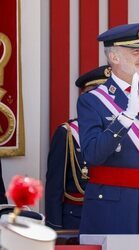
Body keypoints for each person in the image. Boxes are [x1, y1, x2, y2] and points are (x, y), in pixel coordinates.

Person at [77, 23, 139, 234]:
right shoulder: (92, 101)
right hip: (110, 210)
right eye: (136, 51)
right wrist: (126, 118)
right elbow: (93, 154)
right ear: (114, 57)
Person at [45, 65, 111, 230]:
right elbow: (54, 188)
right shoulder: (67, 133)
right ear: (83, 97)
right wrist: (56, 230)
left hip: (114, 217)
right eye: (95, 95)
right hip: (77, 221)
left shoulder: (123, 132)